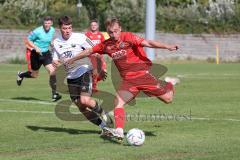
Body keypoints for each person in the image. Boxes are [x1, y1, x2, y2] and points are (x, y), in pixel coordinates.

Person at [65, 18, 179, 141]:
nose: (113, 35)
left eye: (115, 31)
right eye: (110, 32)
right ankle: (119, 131)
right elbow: (89, 51)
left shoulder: (129, 37)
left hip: (143, 76)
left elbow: (149, 43)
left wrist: (167, 46)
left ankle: (170, 83)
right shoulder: (106, 45)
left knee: (168, 99)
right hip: (128, 81)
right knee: (118, 102)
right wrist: (73, 59)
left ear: (120, 29)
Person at [52, 16, 113, 134]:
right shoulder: (56, 42)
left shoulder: (80, 37)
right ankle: (103, 126)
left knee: (84, 100)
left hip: (84, 71)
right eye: (65, 28)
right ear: (60, 28)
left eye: (69, 28)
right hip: (71, 78)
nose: (68, 30)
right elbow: (55, 59)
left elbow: (96, 51)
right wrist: (56, 62)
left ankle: (103, 112)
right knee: (81, 107)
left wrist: (100, 69)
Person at [16, 16, 62, 102]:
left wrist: (51, 43)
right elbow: (28, 40)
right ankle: (21, 75)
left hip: (46, 54)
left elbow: (48, 40)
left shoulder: (52, 30)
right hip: (36, 55)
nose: (47, 25)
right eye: (45, 23)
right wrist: (35, 47)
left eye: (48, 23)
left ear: (51, 23)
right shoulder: (37, 31)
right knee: (34, 75)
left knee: (52, 72)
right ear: (43, 23)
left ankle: (54, 94)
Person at [85, 19, 107, 92]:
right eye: (92, 25)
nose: (93, 26)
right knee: (95, 72)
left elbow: (104, 45)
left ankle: (92, 83)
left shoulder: (100, 35)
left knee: (103, 73)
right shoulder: (87, 35)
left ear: (97, 26)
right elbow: (85, 45)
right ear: (90, 26)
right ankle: (93, 86)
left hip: (99, 56)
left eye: (95, 25)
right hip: (91, 56)